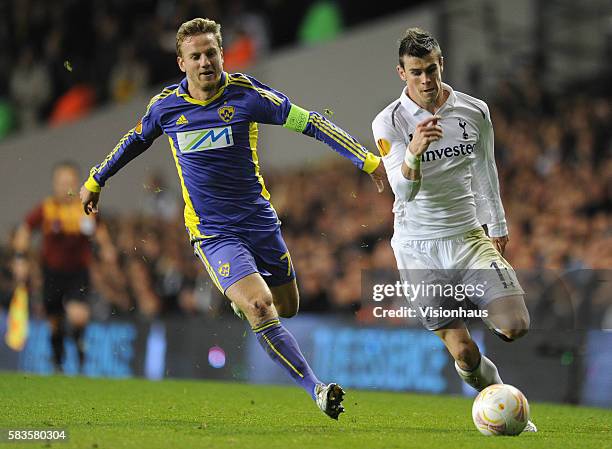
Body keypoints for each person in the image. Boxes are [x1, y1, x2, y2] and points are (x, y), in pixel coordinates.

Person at [80, 17, 386, 420]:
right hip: (213, 232)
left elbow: (309, 122)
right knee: (261, 307)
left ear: (222, 55)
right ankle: (316, 388)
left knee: (288, 306)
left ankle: (249, 298)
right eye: (196, 56)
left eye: (211, 53)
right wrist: (96, 179)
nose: (205, 62)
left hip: (260, 223)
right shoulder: (165, 109)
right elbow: (133, 141)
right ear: (181, 63)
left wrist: (365, 160)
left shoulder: (249, 96)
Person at [371, 28, 537, 431]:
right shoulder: (388, 122)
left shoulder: (474, 111)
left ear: (441, 63)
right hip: (417, 248)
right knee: (463, 351)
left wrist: (496, 223)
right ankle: (501, 401)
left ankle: (482, 299)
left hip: (467, 238)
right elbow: (402, 191)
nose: (425, 80)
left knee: (514, 326)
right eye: (415, 73)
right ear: (401, 73)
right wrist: (413, 152)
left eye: (431, 69)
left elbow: (485, 169)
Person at [13, 161, 106, 372]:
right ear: (55, 184)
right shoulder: (46, 208)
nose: (66, 187)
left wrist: (107, 249)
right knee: (54, 320)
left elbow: (100, 231)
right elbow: (25, 230)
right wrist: (20, 258)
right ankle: (58, 362)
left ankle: (81, 356)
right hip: (52, 272)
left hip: (78, 272)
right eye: (62, 182)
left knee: (79, 315)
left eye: (70, 182)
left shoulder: (86, 207)